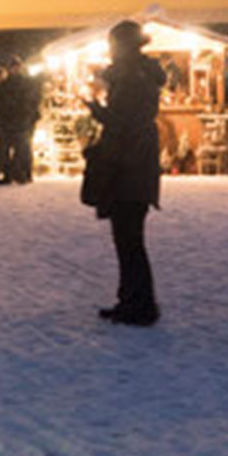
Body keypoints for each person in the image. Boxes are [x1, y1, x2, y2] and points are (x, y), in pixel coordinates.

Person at [84, 20, 166, 326]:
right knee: (128, 238)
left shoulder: (132, 78)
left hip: (129, 166)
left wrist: (99, 112)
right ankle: (131, 300)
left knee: (129, 238)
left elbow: (124, 122)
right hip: (134, 164)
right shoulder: (138, 75)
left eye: (113, 44)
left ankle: (140, 305)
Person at [0, 58, 41, 184]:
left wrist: (30, 115)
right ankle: (11, 173)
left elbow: (32, 101)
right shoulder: (5, 85)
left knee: (20, 149)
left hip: (20, 119)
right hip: (10, 119)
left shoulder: (26, 84)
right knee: (7, 149)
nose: (15, 69)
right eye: (13, 67)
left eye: (17, 67)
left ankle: (18, 173)